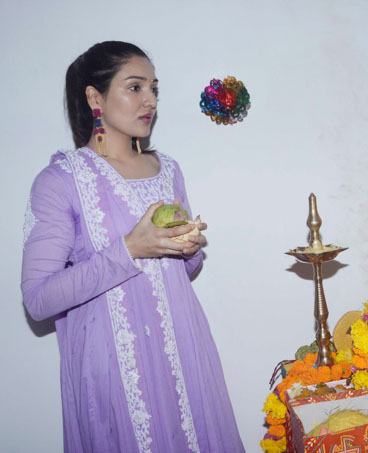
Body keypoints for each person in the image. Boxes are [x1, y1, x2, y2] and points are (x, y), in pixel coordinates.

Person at [21, 41, 244, 452]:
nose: (150, 101)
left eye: (154, 89)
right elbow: (38, 299)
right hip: (116, 366)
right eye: (135, 87)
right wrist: (128, 249)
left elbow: (180, 272)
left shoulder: (167, 170)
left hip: (183, 350)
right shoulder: (61, 180)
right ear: (95, 98)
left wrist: (188, 248)